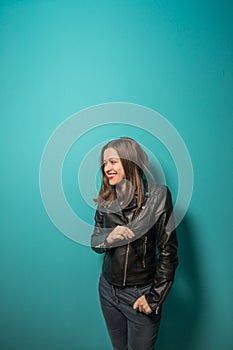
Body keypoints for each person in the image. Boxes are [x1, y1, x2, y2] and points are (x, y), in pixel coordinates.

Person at [91, 137, 178, 350]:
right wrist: (108, 239)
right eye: (104, 163)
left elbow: (168, 251)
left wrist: (155, 298)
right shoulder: (106, 198)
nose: (107, 168)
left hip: (140, 293)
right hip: (108, 290)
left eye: (113, 162)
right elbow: (95, 242)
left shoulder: (159, 195)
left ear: (129, 162)